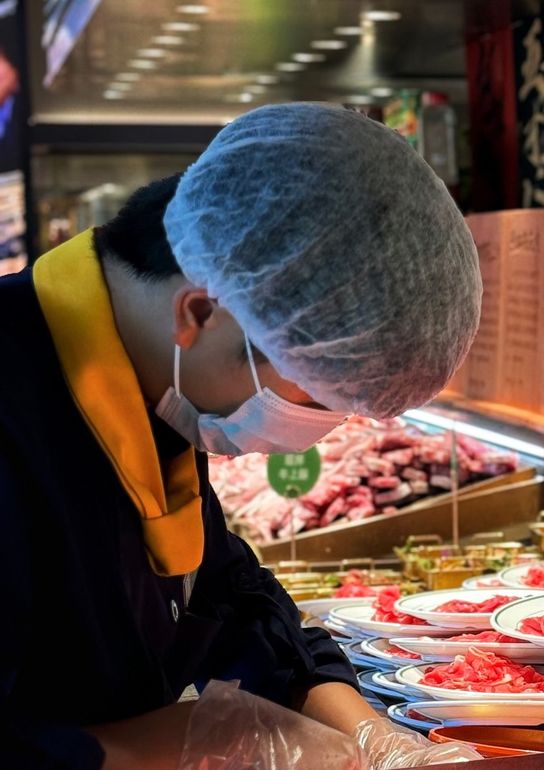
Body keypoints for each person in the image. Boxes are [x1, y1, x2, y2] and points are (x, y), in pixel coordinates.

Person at [0, 103, 483, 768]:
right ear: (198, 311)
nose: (313, 434)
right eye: (312, 393)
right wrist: (169, 744)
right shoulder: (16, 404)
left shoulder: (156, 393)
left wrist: (376, 739)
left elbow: (228, 593)